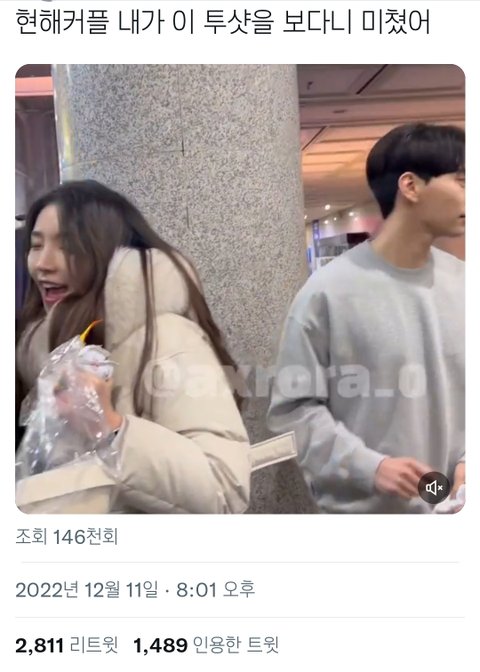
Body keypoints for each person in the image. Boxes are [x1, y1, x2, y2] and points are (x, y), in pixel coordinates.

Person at [16, 180, 253, 513]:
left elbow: (225, 486)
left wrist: (112, 428)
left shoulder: (169, 338)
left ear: (107, 253)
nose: (43, 263)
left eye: (67, 246)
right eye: (36, 245)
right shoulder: (40, 346)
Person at [267, 123, 465, 513]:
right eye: (461, 181)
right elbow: (293, 410)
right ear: (411, 186)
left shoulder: (464, 283)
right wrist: (369, 467)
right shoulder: (328, 293)